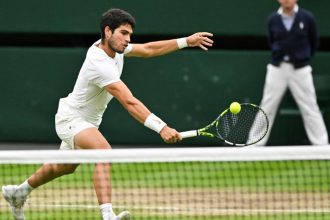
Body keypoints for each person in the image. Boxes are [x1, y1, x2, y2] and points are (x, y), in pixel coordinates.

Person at [2, 8, 213, 220]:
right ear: (108, 31)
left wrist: (187, 41)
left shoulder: (115, 49)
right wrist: (162, 127)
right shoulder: (99, 63)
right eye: (124, 33)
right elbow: (129, 101)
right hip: (71, 119)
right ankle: (107, 215)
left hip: (87, 121)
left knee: (64, 166)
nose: (128, 39)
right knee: (104, 151)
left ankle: (18, 192)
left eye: (130, 34)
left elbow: (149, 49)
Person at [254, 0, 328, 146]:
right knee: (267, 106)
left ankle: (322, 145)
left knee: (310, 106)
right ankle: (254, 144)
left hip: (300, 69)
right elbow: (271, 41)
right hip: (277, 69)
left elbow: (314, 42)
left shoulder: (307, 18)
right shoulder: (273, 19)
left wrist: (301, 58)